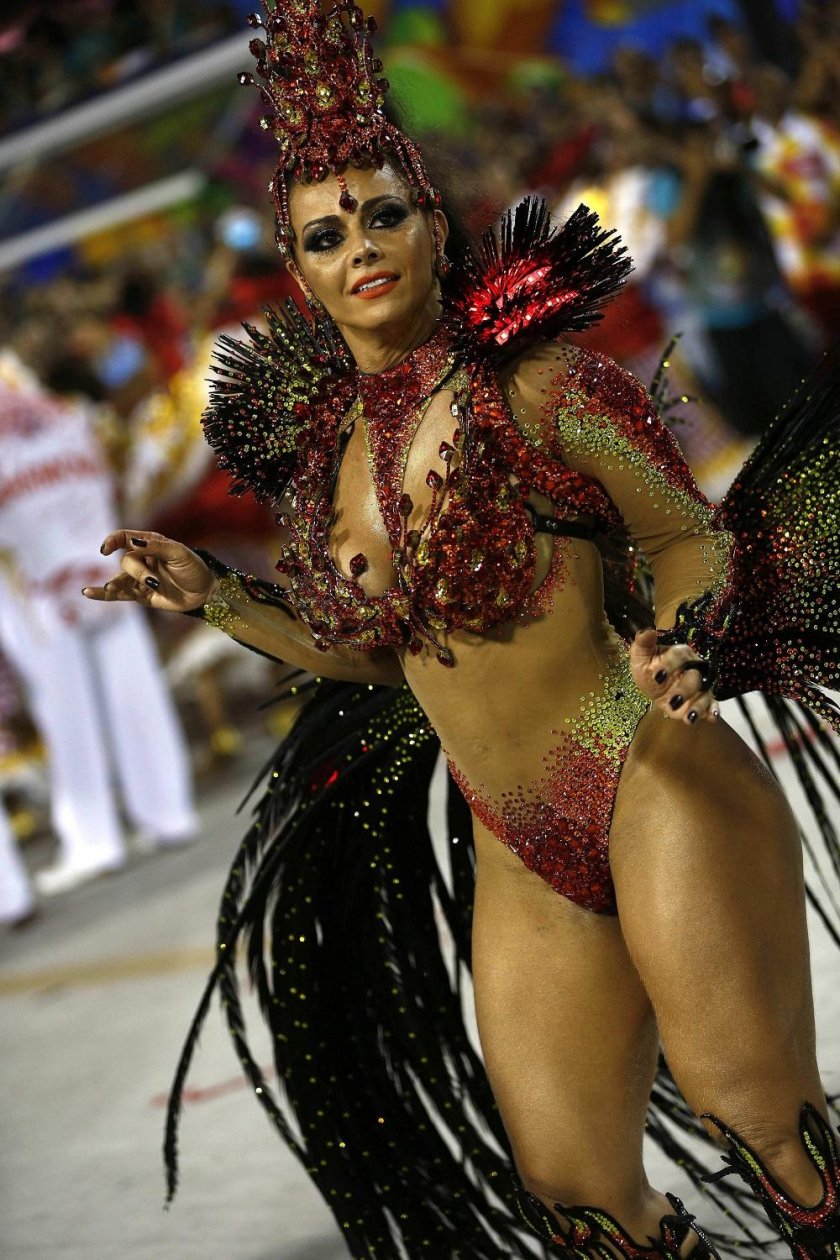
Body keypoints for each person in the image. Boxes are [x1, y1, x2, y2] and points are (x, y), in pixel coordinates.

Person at [83, 4, 840, 1258]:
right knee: (579, 1191)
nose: (362, 246)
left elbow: (681, 531)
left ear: (435, 223)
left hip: (648, 769)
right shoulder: (322, 460)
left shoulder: (538, 383)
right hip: (515, 842)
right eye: (327, 235)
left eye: (385, 213)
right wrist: (217, 595)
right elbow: (376, 654)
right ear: (300, 268)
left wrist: (695, 626)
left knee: (756, 1113)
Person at [0, 347, 198, 896]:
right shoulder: (74, 418)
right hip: (103, 562)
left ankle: (93, 839)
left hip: (39, 584)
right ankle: (166, 811)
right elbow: (122, 473)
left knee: (68, 717)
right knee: (137, 694)